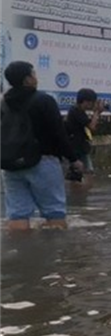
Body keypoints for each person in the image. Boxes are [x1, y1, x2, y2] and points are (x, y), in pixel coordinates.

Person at [0, 61, 85, 231]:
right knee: (54, 213)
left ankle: (19, 253)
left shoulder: (3, 103)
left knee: (17, 214)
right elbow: (59, 133)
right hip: (42, 162)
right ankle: (51, 255)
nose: (35, 77)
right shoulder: (44, 100)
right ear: (27, 79)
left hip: (9, 165)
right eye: (33, 74)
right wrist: (74, 159)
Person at [65, 87, 105, 175]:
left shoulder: (79, 111)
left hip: (80, 147)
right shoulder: (76, 111)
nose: (92, 105)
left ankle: (77, 187)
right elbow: (91, 126)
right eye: (92, 102)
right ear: (85, 101)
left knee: (81, 174)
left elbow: (90, 126)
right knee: (86, 173)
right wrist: (97, 113)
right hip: (77, 148)